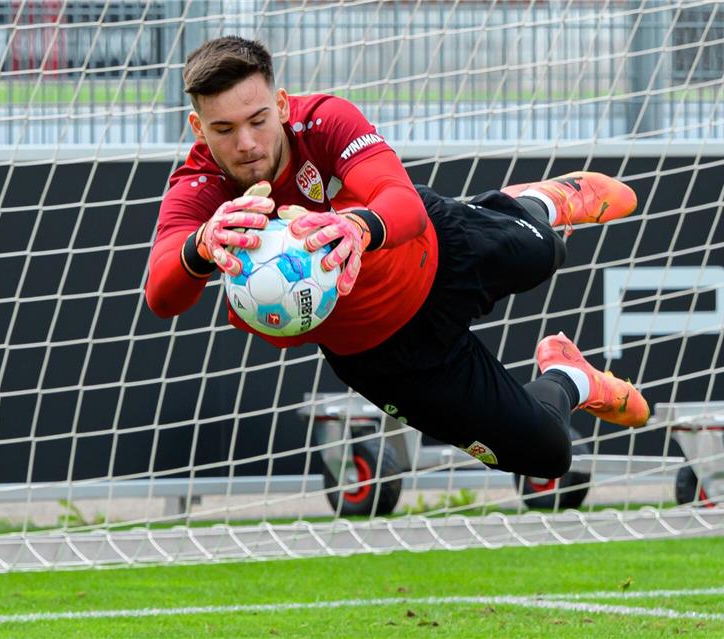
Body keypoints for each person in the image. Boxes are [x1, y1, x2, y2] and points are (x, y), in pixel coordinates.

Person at [146, 36, 648, 480]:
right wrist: (201, 245)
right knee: (548, 454)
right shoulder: (200, 189)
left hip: (433, 249)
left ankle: (536, 203)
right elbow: (161, 295)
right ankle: (573, 376)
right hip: (388, 356)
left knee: (545, 250)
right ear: (198, 127)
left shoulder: (323, 119)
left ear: (280, 103)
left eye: (257, 120)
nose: (247, 143)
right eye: (225, 129)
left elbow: (400, 201)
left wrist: (356, 226)